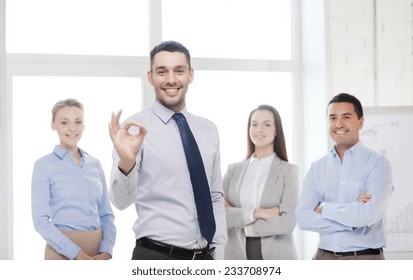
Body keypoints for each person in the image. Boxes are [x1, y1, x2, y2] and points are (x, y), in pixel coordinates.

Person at [108, 40, 227, 260]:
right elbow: (120, 202)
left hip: (206, 257)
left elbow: (215, 197)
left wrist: (218, 253)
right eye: (162, 72)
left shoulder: (208, 129)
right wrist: (126, 163)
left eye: (179, 71)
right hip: (156, 257)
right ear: (151, 77)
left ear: (190, 74)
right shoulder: (134, 129)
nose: (171, 79)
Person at [295, 93, 393, 260]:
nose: (338, 124)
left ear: (360, 122)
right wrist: (352, 222)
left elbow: (367, 215)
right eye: (332, 118)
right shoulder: (317, 167)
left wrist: (324, 208)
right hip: (323, 258)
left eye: (346, 117)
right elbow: (303, 218)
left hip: (364, 259)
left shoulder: (378, 164)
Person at [31, 98, 116, 260]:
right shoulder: (43, 166)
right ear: (53, 125)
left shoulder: (95, 164)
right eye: (64, 122)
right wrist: (76, 254)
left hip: (98, 252)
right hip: (60, 251)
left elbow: (107, 216)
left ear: (84, 125)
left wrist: (106, 251)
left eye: (78, 122)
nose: (72, 128)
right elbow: (40, 221)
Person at [223, 104, 299, 260]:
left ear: (276, 130)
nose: (259, 129)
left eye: (267, 124)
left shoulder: (289, 171)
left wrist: (242, 221)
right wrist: (258, 213)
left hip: (277, 256)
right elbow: (218, 213)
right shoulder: (233, 170)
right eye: (254, 124)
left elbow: (288, 222)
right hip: (236, 255)